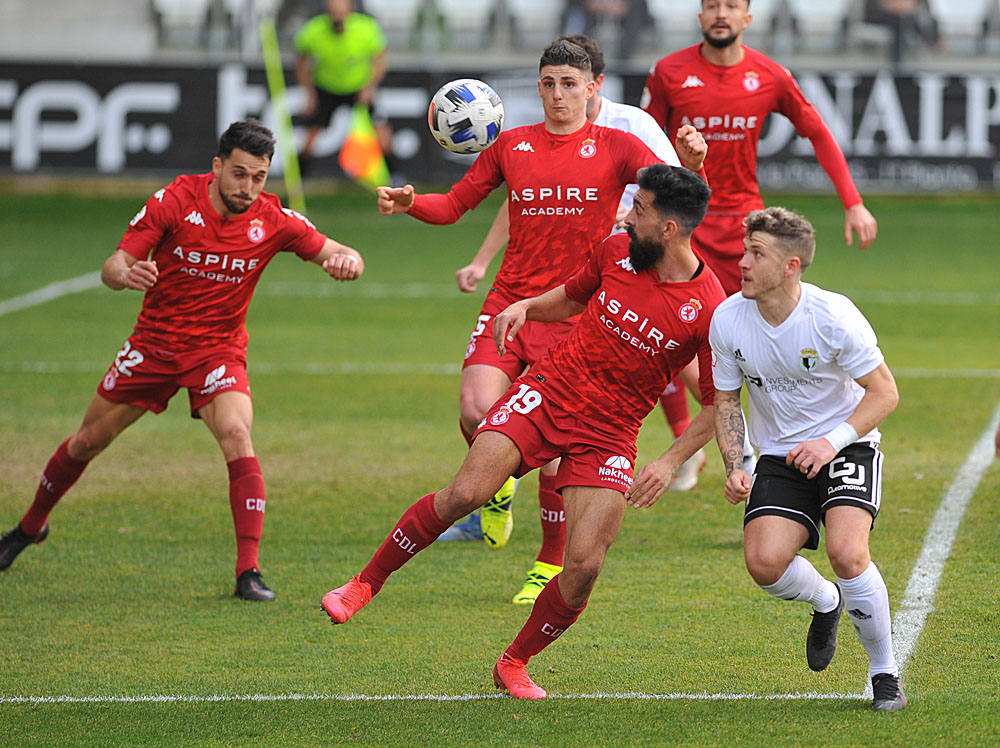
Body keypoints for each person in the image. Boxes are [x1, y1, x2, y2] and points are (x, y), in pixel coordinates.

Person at [322, 163, 727, 699]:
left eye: (641, 211)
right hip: (551, 390)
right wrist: (528, 308)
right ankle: (363, 584)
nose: (628, 216)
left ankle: (514, 662)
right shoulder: (616, 252)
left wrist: (670, 460)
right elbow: (575, 295)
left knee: (584, 567)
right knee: (468, 491)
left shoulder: (709, 308)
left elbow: (720, 401)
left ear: (671, 229)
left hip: (611, 430)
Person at [377, 38, 707, 604]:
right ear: (539, 87)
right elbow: (455, 205)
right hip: (511, 300)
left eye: (569, 85)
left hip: (576, 309)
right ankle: (499, 487)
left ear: (591, 88)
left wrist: (694, 163)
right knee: (476, 410)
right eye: (549, 84)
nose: (558, 95)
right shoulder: (512, 146)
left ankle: (547, 562)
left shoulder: (617, 146)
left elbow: (676, 196)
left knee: (557, 449)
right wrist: (412, 203)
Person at [0, 120, 366, 601]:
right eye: (239, 174)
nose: (248, 188)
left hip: (218, 350)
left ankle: (248, 573)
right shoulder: (174, 201)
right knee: (88, 440)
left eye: (259, 177)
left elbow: (338, 251)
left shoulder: (273, 218)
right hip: (153, 345)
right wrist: (126, 273)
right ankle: (28, 528)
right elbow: (113, 266)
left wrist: (348, 262)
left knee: (237, 433)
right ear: (216, 167)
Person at [641, 0, 880, 465]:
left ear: (747, 18)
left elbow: (817, 131)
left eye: (731, 5)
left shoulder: (770, 75)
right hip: (686, 224)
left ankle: (773, 447)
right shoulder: (669, 72)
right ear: (700, 16)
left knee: (754, 341)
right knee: (668, 332)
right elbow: (647, 139)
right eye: (712, 5)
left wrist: (852, 201)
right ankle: (710, 448)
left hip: (745, 232)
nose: (721, 13)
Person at [709, 206, 906, 711]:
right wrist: (737, 462)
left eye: (757, 254)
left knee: (847, 553)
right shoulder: (728, 319)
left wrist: (832, 441)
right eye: (744, 251)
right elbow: (727, 400)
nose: (743, 264)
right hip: (779, 455)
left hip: (846, 446)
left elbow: (884, 393)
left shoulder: (833, 317)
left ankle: (884, 671)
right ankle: (827, 600)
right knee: (764, 563)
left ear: (792, 265)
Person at [294, 0, 387, 174]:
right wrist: (309, 93)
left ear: (350, 10)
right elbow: (301, 61)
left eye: (341, 12)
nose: (337, 17)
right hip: (326, 88)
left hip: (358, 89)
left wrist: (370, 87)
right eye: (333, 12)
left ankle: (396, 177)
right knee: (310, 137)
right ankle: (297, 184)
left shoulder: (366, 28)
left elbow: (379, 58)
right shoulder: (313, 30)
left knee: (382, 133)